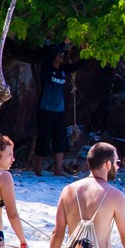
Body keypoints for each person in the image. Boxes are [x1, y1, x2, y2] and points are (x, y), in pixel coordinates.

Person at [35, 42, 87, 177]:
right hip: (45, 110)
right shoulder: (46, 69)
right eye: (59, 54)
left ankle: (57, 170)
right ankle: (38, 170)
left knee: (60, 140)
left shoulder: (62, 70)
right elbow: (49, 56)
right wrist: (64, 43)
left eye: (62, 54)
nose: (61, 56)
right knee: (43, 139)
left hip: (59, 111)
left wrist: (86, 52)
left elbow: (78, 66)